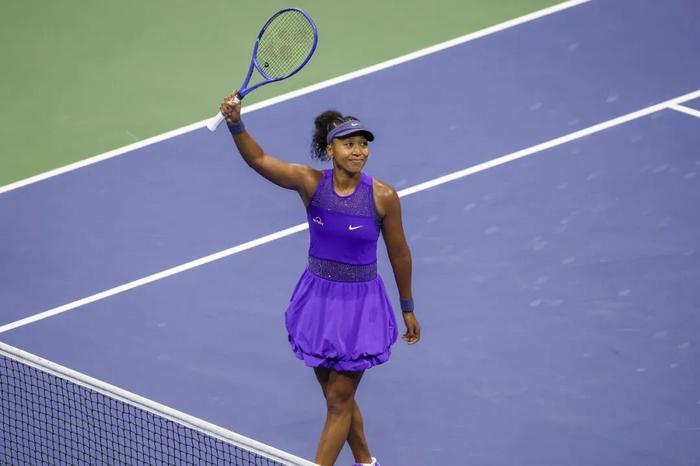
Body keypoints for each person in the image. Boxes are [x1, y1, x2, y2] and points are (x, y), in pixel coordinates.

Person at [219, 92, 421, 466]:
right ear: (331, 149)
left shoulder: (383, 197)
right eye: (349, 144)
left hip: (360, 307)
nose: (358, 151)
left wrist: (407, 307)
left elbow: (400, 253)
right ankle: (366, 461)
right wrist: (236, 124)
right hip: (318, 301)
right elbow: (259, 160)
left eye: (363, 145)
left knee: (339, 399)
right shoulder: (310, 183)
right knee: (334, 394)